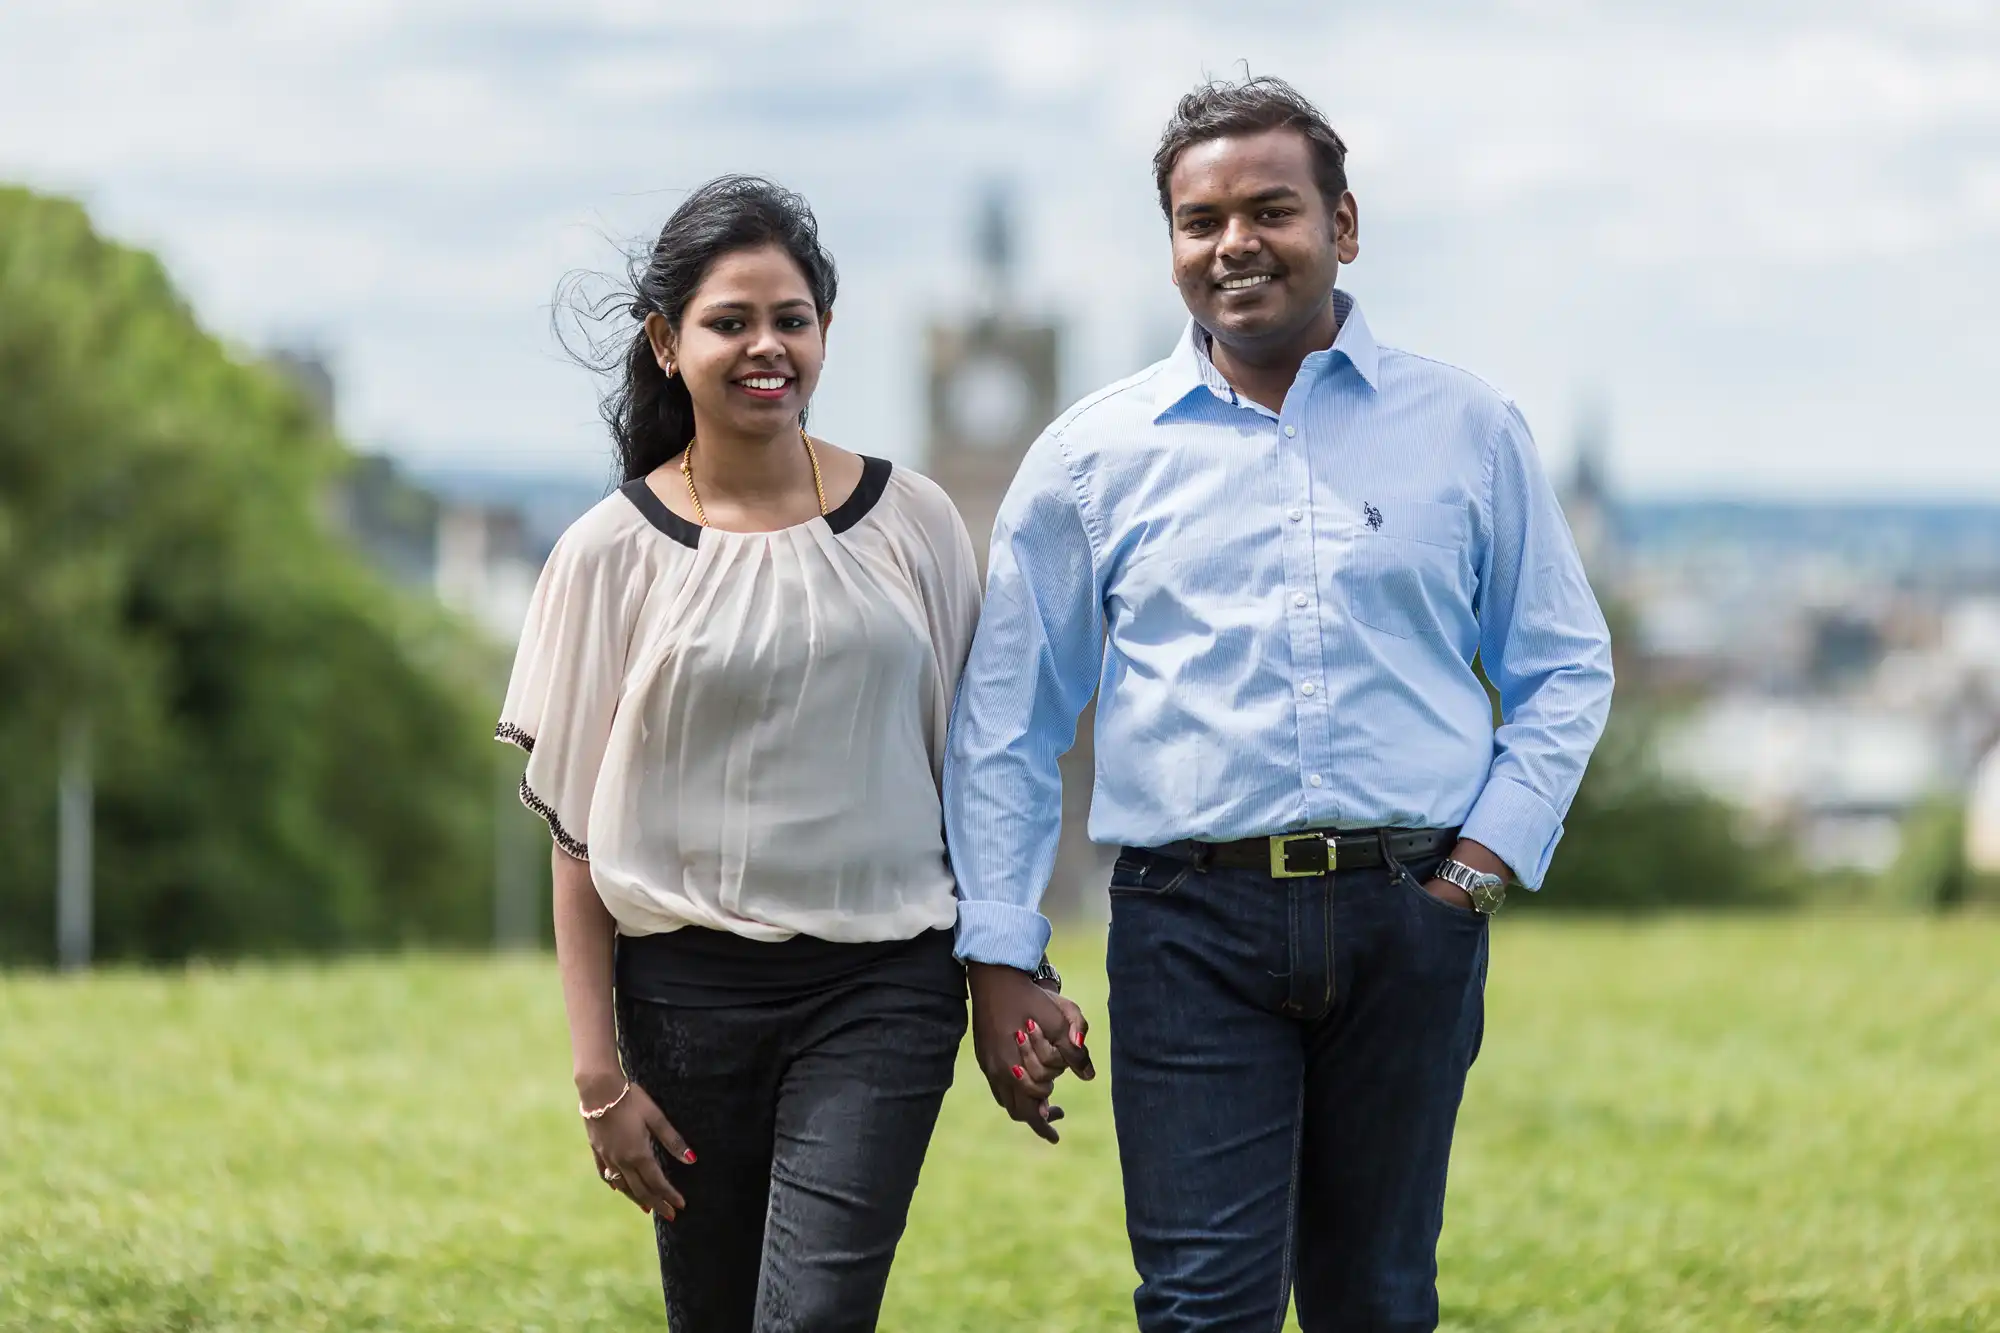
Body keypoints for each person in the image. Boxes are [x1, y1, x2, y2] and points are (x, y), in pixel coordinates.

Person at [944, 77, 1616, 1332]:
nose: (1233, 243)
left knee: (1376, 1298)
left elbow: (1564, 664)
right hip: (1184, 927)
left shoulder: (1465, 430)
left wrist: (1469, 875)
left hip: (1405, 918)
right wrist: (999, 951)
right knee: (1203, 1307)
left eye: (1270, 209)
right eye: (1199, 222)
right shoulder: (1092, 458)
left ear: (1342, 225)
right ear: (1172, 250)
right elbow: (1006, 723)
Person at [498, 175, 1071, 1332]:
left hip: (880, 986)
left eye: (792, 319)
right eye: (729, 322)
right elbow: (575, 838)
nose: (766, 347)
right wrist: (598, 1079)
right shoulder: (607, 553)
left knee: (810, 1318)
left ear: (823, 333)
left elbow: (978, 766)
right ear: (666, 343)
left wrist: (1007, 964)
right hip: (682, 1001)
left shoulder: (913, 521)